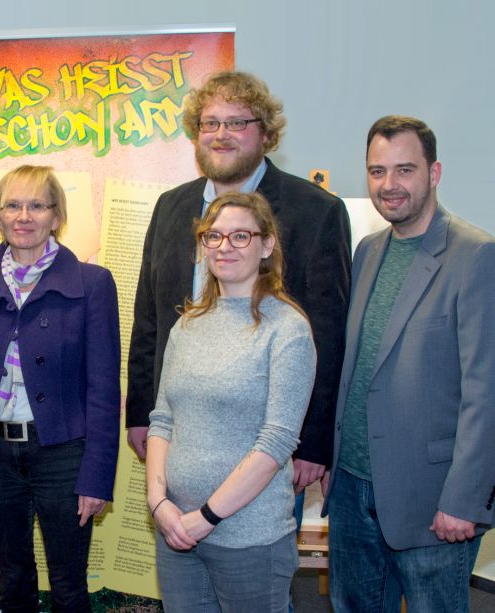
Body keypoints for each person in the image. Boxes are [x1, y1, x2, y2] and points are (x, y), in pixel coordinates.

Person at [127, 71, 350, 505]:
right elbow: (148, 319)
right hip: (179, 431)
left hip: (267, 438)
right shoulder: (170, 207)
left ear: (265, 134)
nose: (221, 135)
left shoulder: (316, 212)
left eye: (237, 123)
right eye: (210, 123)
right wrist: (141, 412)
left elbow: (328, 333)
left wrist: (314, 442)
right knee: (181, 554)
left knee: (253, 563)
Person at [323, 115, 495, 612]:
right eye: (377, 172)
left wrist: (464, 500)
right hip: (353, 489)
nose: (389, 186)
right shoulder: (368, 250)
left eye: (404, 170)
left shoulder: (476, 255)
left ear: (434, 173)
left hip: (431, 498)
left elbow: (486, 393)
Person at [0, 165, 120, 613]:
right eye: (13, 205)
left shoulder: (93, 283)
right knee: (14, 583)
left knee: (68, 585)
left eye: (37, 205)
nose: (24, 215)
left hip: (64, 456)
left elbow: (104, 389)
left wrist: (97, 476)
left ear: (56, 216)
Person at [146, 191, 316, 612]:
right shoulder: (187, 325)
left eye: (241, 236)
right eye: (213, 236)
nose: (224, 247)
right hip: (176, 533)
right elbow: (162, 420)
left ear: (267, 245)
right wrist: (159, 503)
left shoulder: (287, 330)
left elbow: (275, 443)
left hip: (249, 539)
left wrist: (204, 518)